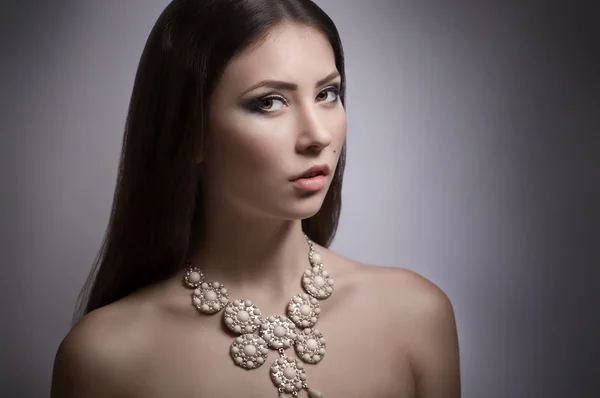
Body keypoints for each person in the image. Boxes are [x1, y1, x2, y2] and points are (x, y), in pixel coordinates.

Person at [50, 0, 460, 397]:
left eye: (327, 94)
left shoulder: (416, 315)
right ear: (190, 130)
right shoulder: (104, 359)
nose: (318, 135)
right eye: (269, 102)